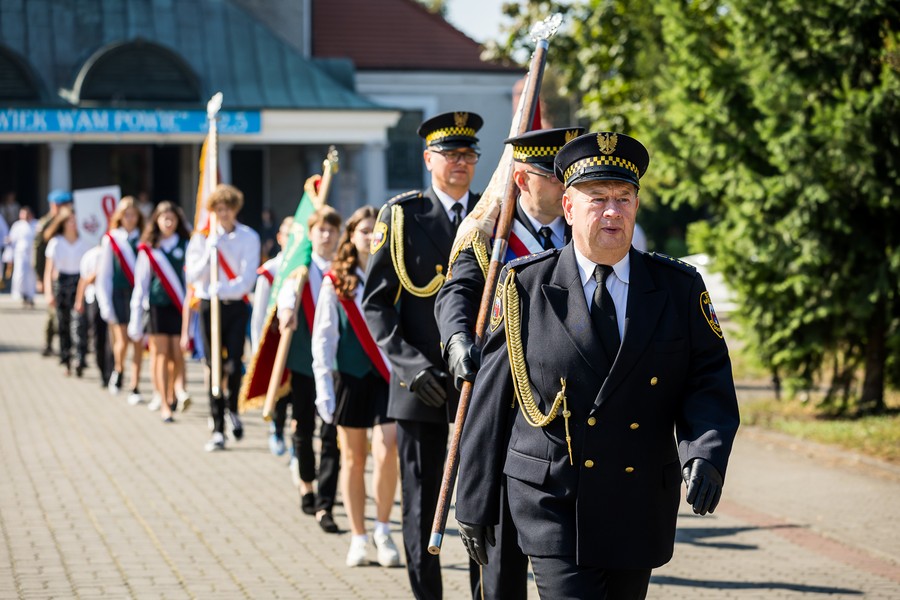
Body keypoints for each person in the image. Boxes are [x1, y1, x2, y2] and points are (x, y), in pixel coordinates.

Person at [453, 132, 741, 600]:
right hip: (553, 500)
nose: (613, 211)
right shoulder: (526, 286)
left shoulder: (677, 289)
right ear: (567, 207)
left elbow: (707, 379)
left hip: (638, 495)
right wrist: (474, 498)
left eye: (624, 198)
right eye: (599, 198)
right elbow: (491, 398)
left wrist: (705, 453)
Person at [434, 126, 583, 599]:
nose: (567, 185)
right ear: (522, 180)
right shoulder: (489, 239)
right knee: (499, 568)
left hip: (567, 419)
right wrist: (458, 339)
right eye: (554, 175)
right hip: (505, 417)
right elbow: (455, 294)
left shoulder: (581, 239)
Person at [362, 111, 483, 600]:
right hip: (421, 383)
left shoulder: (493, 215)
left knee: (482, 502)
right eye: (451, 154)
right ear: (428, 158)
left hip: (479, 380)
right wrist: (411, 369)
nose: (461, 162)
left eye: (469, 154)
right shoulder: (402, 216)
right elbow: (376, 305)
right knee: (421, 502)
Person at [310, 206, 401, 567]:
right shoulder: (336, 279)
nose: (369, 236)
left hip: (386, 378)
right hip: (349, 377)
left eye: (375, 230)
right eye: (363, 230)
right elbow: (324, 337)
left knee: (387, 450)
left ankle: (383, 528)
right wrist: (323, 387)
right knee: (353, 458)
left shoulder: (394, 273)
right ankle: (359, 537)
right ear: (351, 235)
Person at [276, 206, 342, 532]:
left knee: (332, 433)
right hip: (304, 360)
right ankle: (307, 482)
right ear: (311, 234)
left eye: (332, 230)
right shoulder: (299, 270)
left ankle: (325, 503)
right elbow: (285, 297)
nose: (327, 236)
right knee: (303, 427)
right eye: (321, 230)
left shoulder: (345, 270)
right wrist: (285, 311)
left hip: (336, 363)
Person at [186, 184, 260, 450]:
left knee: (234, 363)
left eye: (227, 209)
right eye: (218, 210)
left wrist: (225, 288)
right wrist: (210, 251)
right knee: (213, 365)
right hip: (209, 306)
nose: (223, 214)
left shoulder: (248, 237)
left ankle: (233, 409)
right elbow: (193, 276)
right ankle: (217, 426)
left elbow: (247, 278)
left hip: (235, 305)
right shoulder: (201, 238)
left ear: (234, 209)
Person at [128, 201, 191, 423]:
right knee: (161, 354)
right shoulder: (149, 248)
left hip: (178, 306)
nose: (168, 222)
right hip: (156, 306)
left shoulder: (186, 244)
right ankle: (165, 401)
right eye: (164, 218)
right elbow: (141, 283)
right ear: (156, 220)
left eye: (172, 218)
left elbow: (189, 278)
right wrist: (135, 318)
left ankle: (174, 392)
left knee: (177, 354)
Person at [95, 197, 146, 404]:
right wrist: (104, 302)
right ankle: (118, 369)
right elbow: (104, 273)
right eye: (126, 214)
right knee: (122, 340)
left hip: (138, 295)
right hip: (119, 293)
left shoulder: (143, 238)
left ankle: (135, 384)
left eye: (133, 214)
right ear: (120, 216)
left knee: (138, 341)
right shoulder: (111, 239)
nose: (130, 218)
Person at [250, 216, 293, 456]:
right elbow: (259, 314)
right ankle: (277, 429)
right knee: (279, 390)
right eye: (287, 235)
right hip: (275, 340)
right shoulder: (270, 271)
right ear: (279, 238)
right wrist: (258, 346)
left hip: (299, 341)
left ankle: (297, 437)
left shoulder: (303, 268)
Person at [43, 206, 91, 376]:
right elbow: (49, 270)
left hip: (79, 282)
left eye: (75, 221)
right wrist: (48, 292)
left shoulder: (84, 242)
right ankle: (66, 358)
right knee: (63, 323)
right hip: (61, 283)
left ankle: (80, 357)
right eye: (69, 221)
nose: (72, 224)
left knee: (79, 322)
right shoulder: (56, 242)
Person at [35, 190, 73, 356]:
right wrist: (40, 277)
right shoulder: (45, 224)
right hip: (52, 273)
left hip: (69, 271)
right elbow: (38, 253)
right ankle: (48, 343)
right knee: (52, 312)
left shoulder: (71, 221)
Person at [75, 241, 111, 387]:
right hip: (95, 299)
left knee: (112, 338)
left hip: (113, 298)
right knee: (98, 337)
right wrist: (79, 301)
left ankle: (112, 371)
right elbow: (84, 279)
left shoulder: (118, 253)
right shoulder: (92, 255)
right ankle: (103, 371)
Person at [8, 206, 38, 307]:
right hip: (20, 254)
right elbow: (11, 240)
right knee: (20, 273)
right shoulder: (17, 225)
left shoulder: (36, 224)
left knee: (31, 275)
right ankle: (20, 293)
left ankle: (30, 296)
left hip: (33, 253)